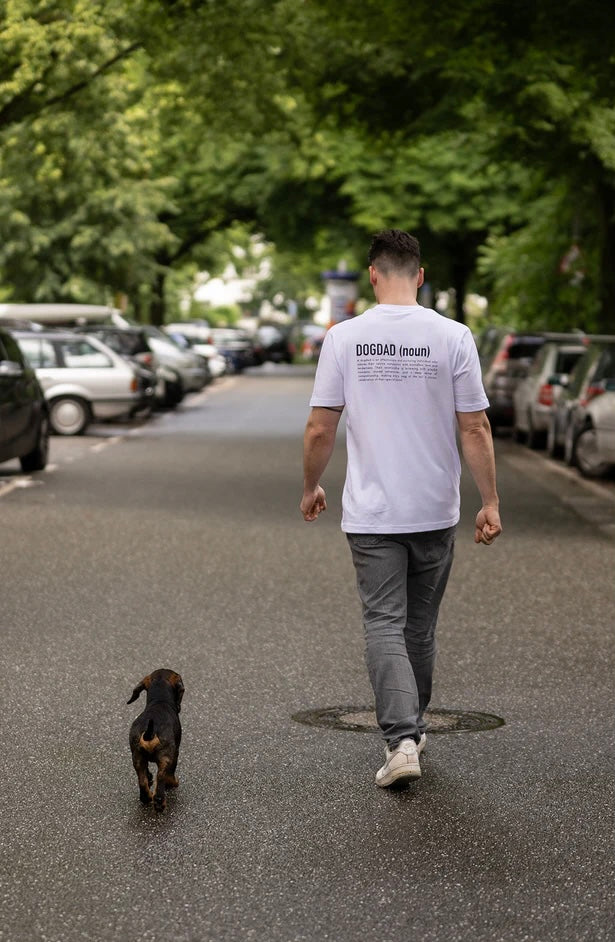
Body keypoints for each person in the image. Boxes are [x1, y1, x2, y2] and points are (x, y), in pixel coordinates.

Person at [300, 229, 502, 788]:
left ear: (371, 274)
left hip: (373, 513)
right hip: (435, 508)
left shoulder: (344, 338)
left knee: (384, 622)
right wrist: (489, 500)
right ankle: (412, 730)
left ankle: (402, 739)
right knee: (420, 626)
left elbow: (321, 425)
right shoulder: (454, 336)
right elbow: (475, 425)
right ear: (419, 275)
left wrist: (311, 486)